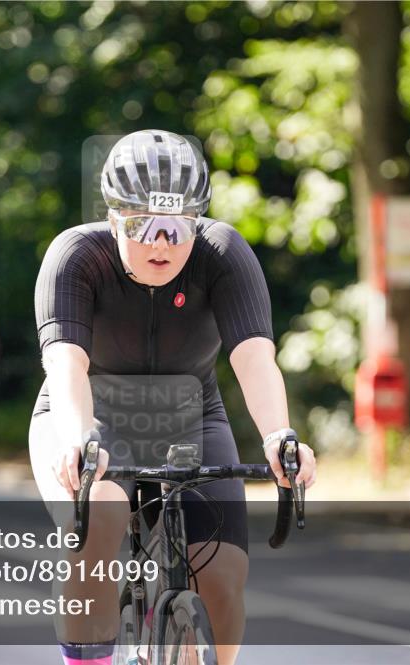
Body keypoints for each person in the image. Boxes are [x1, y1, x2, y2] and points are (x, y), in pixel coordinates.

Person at [29, 129, 317, 665]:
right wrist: (77, 440)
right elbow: (66, 362)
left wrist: (279, 434)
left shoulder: (223, 252)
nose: (161, 242)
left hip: (189, 417)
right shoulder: (75, 255)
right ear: (114, 218)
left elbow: (254, 356)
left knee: (225, 578)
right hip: (87, 414)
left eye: (177, 225)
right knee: (103, 514)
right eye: (142, 225)